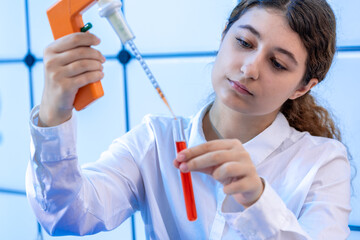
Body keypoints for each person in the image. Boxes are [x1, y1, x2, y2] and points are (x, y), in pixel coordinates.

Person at [26, 0, 352, 239]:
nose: (250, 68)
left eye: (278, 64)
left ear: (303, 87)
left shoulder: (322, 162)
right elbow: (65, 216)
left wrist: (257, 200)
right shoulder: (155, 141)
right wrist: (54, 111)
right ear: (223, 36)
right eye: (244, 42)